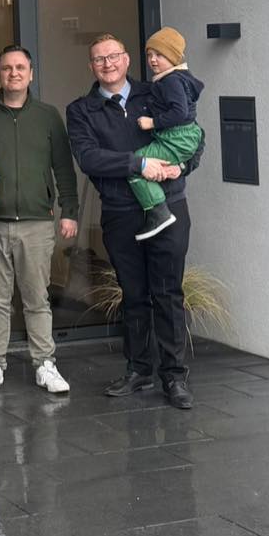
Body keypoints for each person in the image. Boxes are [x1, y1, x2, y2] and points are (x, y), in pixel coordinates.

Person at [66, 33, 202, 410]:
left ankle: (174, 376)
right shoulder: (81, 110)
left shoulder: (156, 92)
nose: (107, 64)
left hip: (169, 208)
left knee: (168, 291)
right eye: (99, 59)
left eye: (114, 56)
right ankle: (139, 369)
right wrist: (138, 164)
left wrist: (182, 166)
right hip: (121, 212)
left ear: (127, 60)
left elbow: (193, 135)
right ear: (91, 67)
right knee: (134, 293)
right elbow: (89, 158)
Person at [0, 45, 80, 396]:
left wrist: (70, 211)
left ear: (31, 74)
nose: (13, 73)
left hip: (36, 222)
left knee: (36, 298)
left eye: (20, 68)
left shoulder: (48, 116)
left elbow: (63, 167)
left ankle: (44, 363)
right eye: (7, 68)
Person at [129, 27, 205, 241]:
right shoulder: (176, 78)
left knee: (136, 164)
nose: (152, 60)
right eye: (149, 54)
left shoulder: (171, 80)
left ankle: (158, 212)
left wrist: (152, 122)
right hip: (183, 136)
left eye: (159, 55)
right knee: (147, 163)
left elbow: (179, 112)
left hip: (176, 137)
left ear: (173, 57)